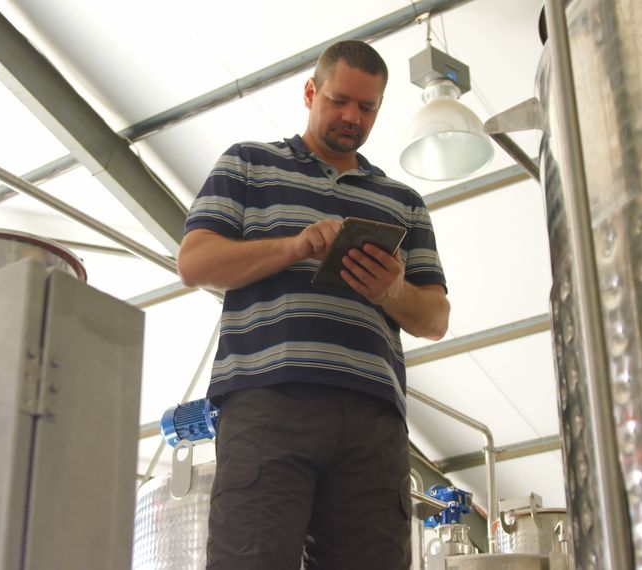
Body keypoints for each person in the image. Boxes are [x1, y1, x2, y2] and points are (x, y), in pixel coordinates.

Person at [178, 39, 450, 570]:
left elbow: (436, 318)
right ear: (310, 91)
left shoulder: (404, 203)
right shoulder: (247, 165)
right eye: (340, 101)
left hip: (373, 418)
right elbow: (195, 262)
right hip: (267, 401)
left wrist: (391, 290)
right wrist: (295, 246)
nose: (352, 117)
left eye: (367, 107)